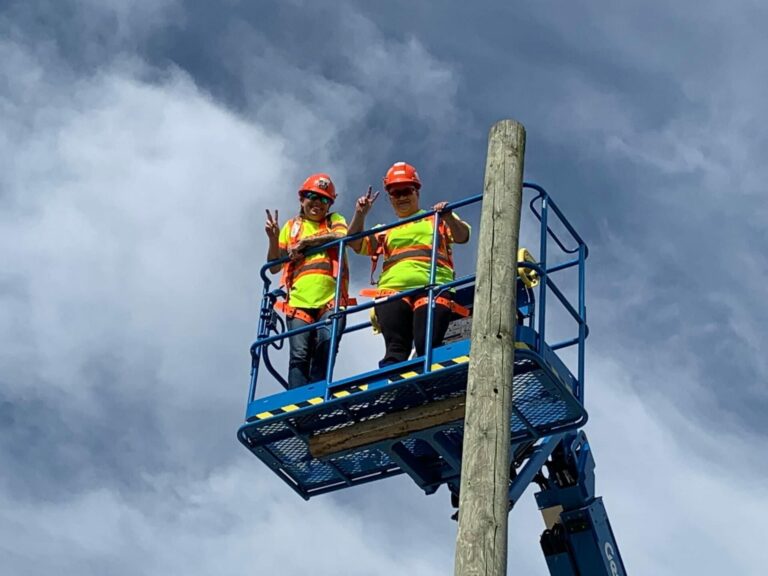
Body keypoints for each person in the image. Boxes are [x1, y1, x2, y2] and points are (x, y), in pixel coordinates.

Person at [348, 162, 470, 367]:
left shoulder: (437, 218)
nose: (402, 197)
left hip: (433, 288)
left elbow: (462, 236)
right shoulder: (385, 230)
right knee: (395, 349)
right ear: (390, 198)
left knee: (427, 346)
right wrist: (360, 214)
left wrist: (448, 215)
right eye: (396, 193)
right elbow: (353, 243)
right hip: (392, 291)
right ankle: (391, 388)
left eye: (407, 191)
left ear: (416, 192)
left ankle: (429, 385)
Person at [265, 173, 350, 388]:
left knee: (326, 348)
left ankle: (317, 393)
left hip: (330, 299)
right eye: (313, 196)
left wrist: (307, 243)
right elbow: (275, 266)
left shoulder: (334, 220)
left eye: (324, 200)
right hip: (299, 301)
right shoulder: (291, 226)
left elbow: (342, 236)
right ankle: (298, 402)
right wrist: (274, 239)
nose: (318, 203)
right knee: (299, 357)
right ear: (302, 199)